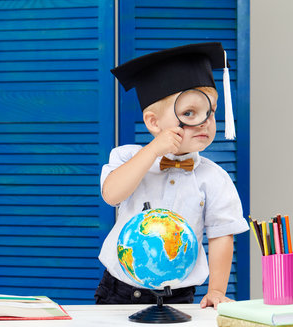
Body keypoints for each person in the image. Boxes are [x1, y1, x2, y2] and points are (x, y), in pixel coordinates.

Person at [94, 42, 249, 309]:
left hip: (179, 295)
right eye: (189, 113)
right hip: (119, 291)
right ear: (154, 122)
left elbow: (222, 234)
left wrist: (216, 290)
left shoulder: (215, 178)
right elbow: (112, 194)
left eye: (210, 112)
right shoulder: (126, 158)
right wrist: (153, 150)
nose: (204, 121)